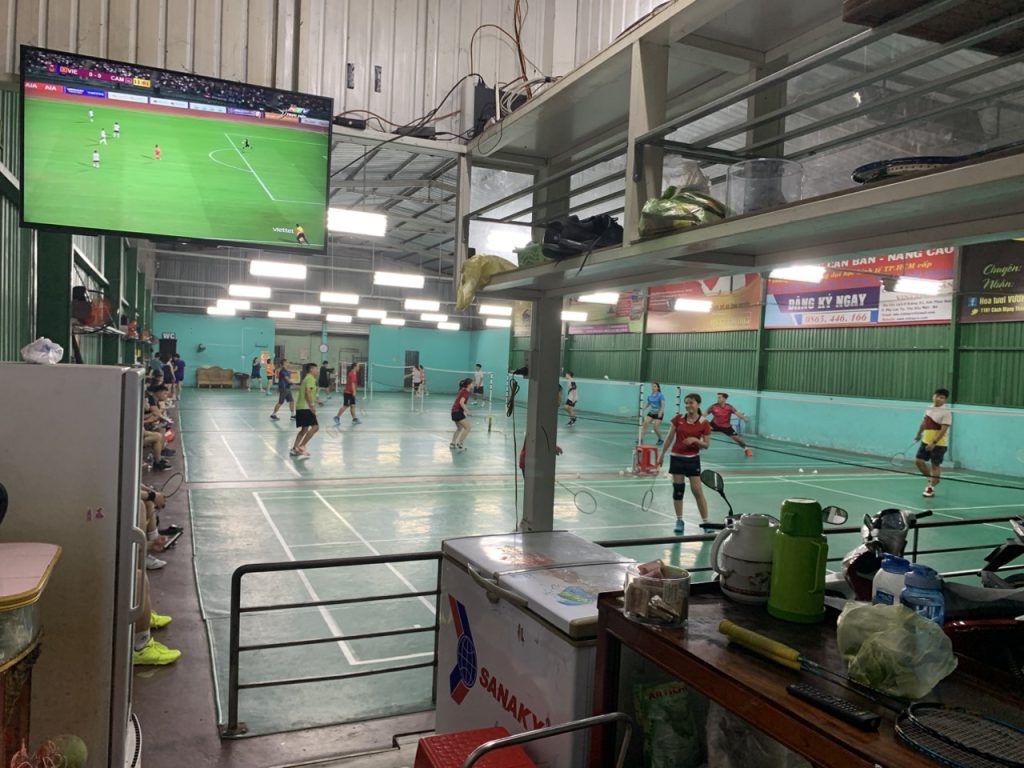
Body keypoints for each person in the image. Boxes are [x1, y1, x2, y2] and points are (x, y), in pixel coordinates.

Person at [658, 393, 712, 533]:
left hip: (692, 459)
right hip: (677, 458)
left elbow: (706, 445)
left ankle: (706, 523)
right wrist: (661, 455)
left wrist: (695, 440)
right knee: (678, 490)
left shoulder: (704, 423)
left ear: (698, 404)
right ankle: (679, 520)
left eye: (691, 402)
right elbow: (669, 438)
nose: (688, 405)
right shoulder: (678, 419)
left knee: (697, 491)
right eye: (686, 403)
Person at [915, 387, 952, 498]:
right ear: (933, 396)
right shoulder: (929, 408)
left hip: (939, 444)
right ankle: (932, 479)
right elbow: (924, 422)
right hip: (925, 440)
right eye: (937, 396)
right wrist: (918, 433)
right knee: (918, 461)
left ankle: (930, 487)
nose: (938, 399)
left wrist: (934, 442)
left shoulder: (946, 412)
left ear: (945, 400)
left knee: (935, 466)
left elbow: (944, 429)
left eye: (942, 397)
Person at [707, 392, 752, 457]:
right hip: (714, 425)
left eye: (719, 397)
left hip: (726, 427)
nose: (718, 399)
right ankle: (696, 446)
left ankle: (746, 449)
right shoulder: (713, 406)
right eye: (717, 397)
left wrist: (744, 418)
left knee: (738, 440)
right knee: (700, 430)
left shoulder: (729, 407)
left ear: (724, 399)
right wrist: (698, 421)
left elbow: (737, 413)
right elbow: (704, 414)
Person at [291, 363, 319, 459]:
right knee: (315, 427)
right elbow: (307, 392)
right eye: (316, 369)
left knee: (304, 429)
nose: (317, 371)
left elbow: (307, 392)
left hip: (301, 406)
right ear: (311, 369)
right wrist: (312, 406)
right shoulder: (310, 378)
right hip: (305, 407)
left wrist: (316, 401)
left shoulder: (306, 378)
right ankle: (302, 446)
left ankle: (294, 449)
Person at [450, 377, 472, 451]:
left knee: (459, 428)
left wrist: (466, 409)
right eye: (472, 383)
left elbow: (461, 402)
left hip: (454, 412)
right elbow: (461, 402)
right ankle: (460, 443)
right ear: (468, 385)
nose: (473, 384)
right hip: (457, 412)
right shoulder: (465, 392)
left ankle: (453, 443)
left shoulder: (463, 390)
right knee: (468, 428)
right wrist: (467, 411)